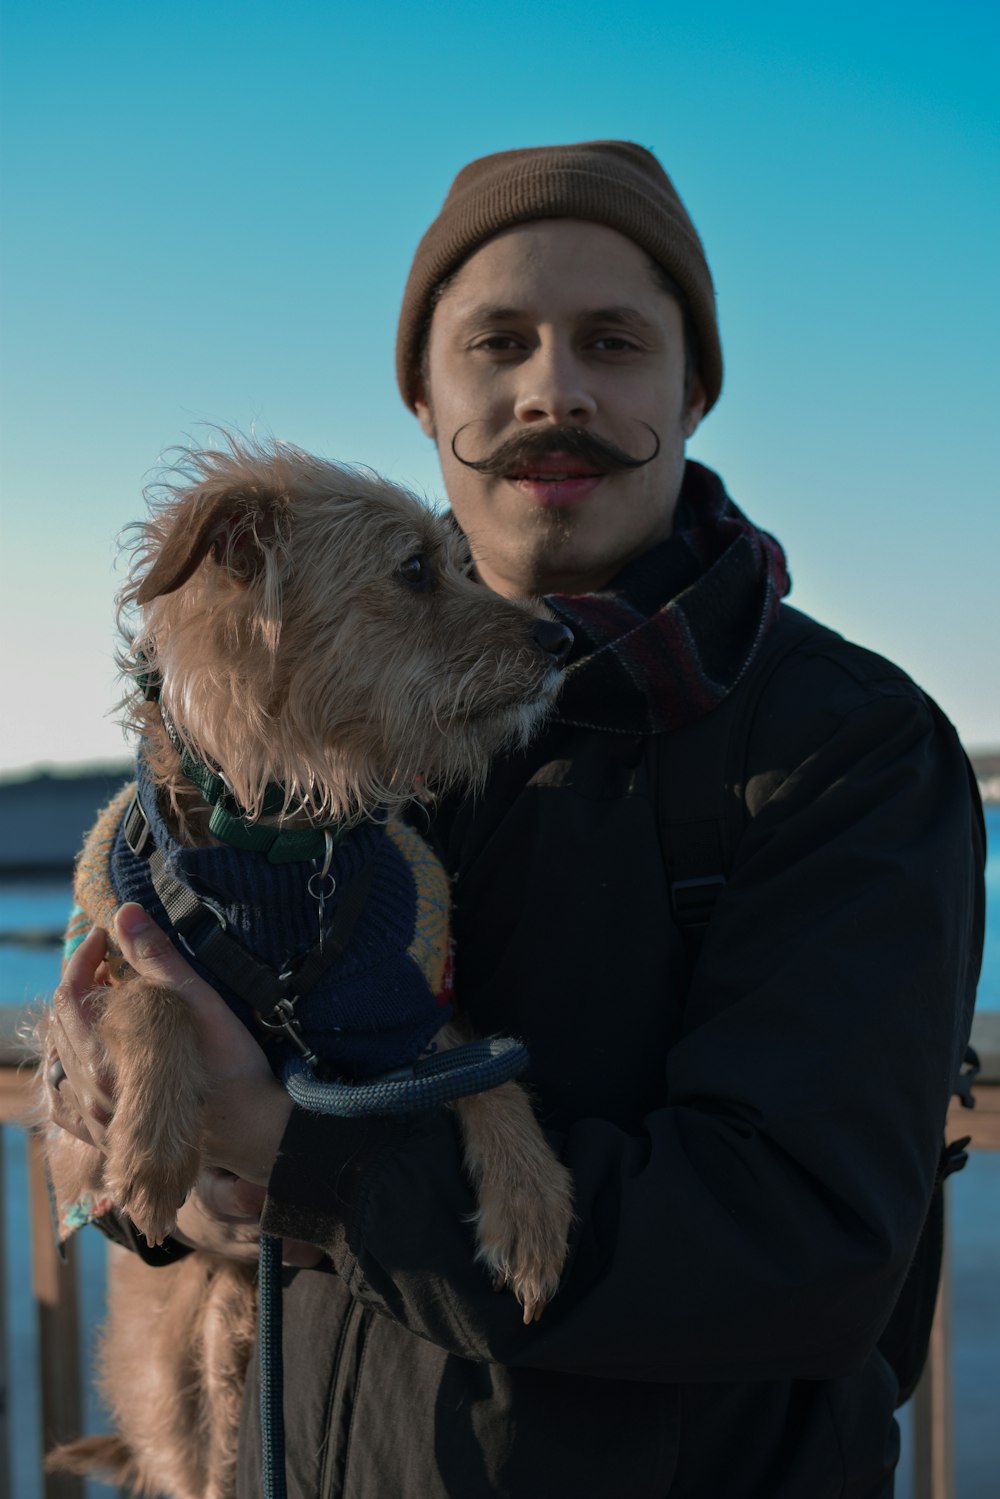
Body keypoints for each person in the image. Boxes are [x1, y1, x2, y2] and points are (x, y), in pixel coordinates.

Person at [49, 141, 985, 1498]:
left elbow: (805, 1249)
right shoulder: (317, 735)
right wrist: (160, 1162)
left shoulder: (849, 749)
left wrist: (307, 1163)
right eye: (499, 344)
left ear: (693, 388)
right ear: (427, 399)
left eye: (613, 342)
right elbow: (167, 1141)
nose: (555, 388)